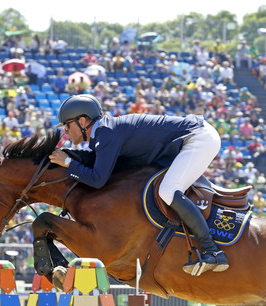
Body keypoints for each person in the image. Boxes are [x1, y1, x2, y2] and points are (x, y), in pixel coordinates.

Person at [49, 94, 228, 275]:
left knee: (167, 191)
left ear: (82, 121)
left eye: (67, 125)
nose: (65, 131)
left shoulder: (106, 133)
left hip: (198, 138)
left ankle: (212, 250)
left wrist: (68, 163)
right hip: (190, 139)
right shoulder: (103, 133)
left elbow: (97, 179)